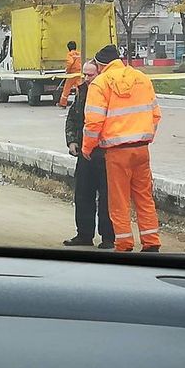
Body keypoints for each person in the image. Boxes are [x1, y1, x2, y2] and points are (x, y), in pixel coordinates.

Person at [82, 45, 162, 253]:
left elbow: (93, 122)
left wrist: (87, 147)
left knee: (119, 200)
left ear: (100, 65)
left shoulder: (100, 83)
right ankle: (151, 242)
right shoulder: (142, 79)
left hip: (117, 152)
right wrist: (146, 136)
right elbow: (155, 114)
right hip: (141, 149)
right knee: (144, 197)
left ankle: (124, 244)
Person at [63, 61, 115, 250]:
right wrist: (72, 141)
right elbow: (73, 117)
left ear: (99, 74)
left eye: (90, 75)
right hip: (85, 152)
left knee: (106, 197)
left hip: (105, 152)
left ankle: (108, 237)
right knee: (83, 194)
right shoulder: (81, 91)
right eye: (84, 74)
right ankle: (84, 234)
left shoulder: (107, 91)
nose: (86, 78)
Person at [58, 41, 82, 108]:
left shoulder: (70, 54)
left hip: (72, 74)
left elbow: (70, 62)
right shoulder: (79, 54)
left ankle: (63, 103)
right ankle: (79, 102)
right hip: (79, 73)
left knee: (66, 89)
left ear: (68, 48)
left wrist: (67, 70)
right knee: (79, 88)